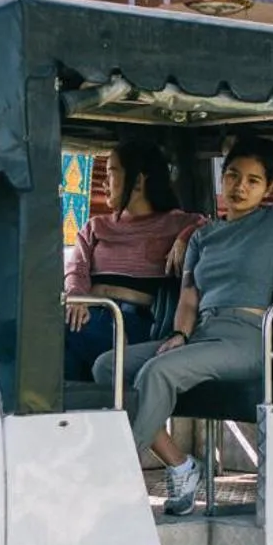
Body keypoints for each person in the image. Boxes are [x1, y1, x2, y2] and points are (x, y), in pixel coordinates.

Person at [101, 135, 273, 515]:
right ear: (223, 179)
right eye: (233, 176)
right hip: (203, 334)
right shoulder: (204, 236)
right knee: (108, 365)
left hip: (246, 340)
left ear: (268, 188)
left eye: (253, 181)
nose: (240, 187)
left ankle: (112, 482)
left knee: (158, 373)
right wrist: (179, 334)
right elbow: (189, 297)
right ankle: (180, 465)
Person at [62, 143, 206, 380]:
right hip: (88, 314)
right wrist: (76, 298)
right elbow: (76, 269)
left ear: (138, 181)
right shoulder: (95, 227)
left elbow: (208, 227)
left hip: (133, 323)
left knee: (58, 332)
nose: (103, 183)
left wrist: (183, 238)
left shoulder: (176, 223)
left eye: (110, 172)